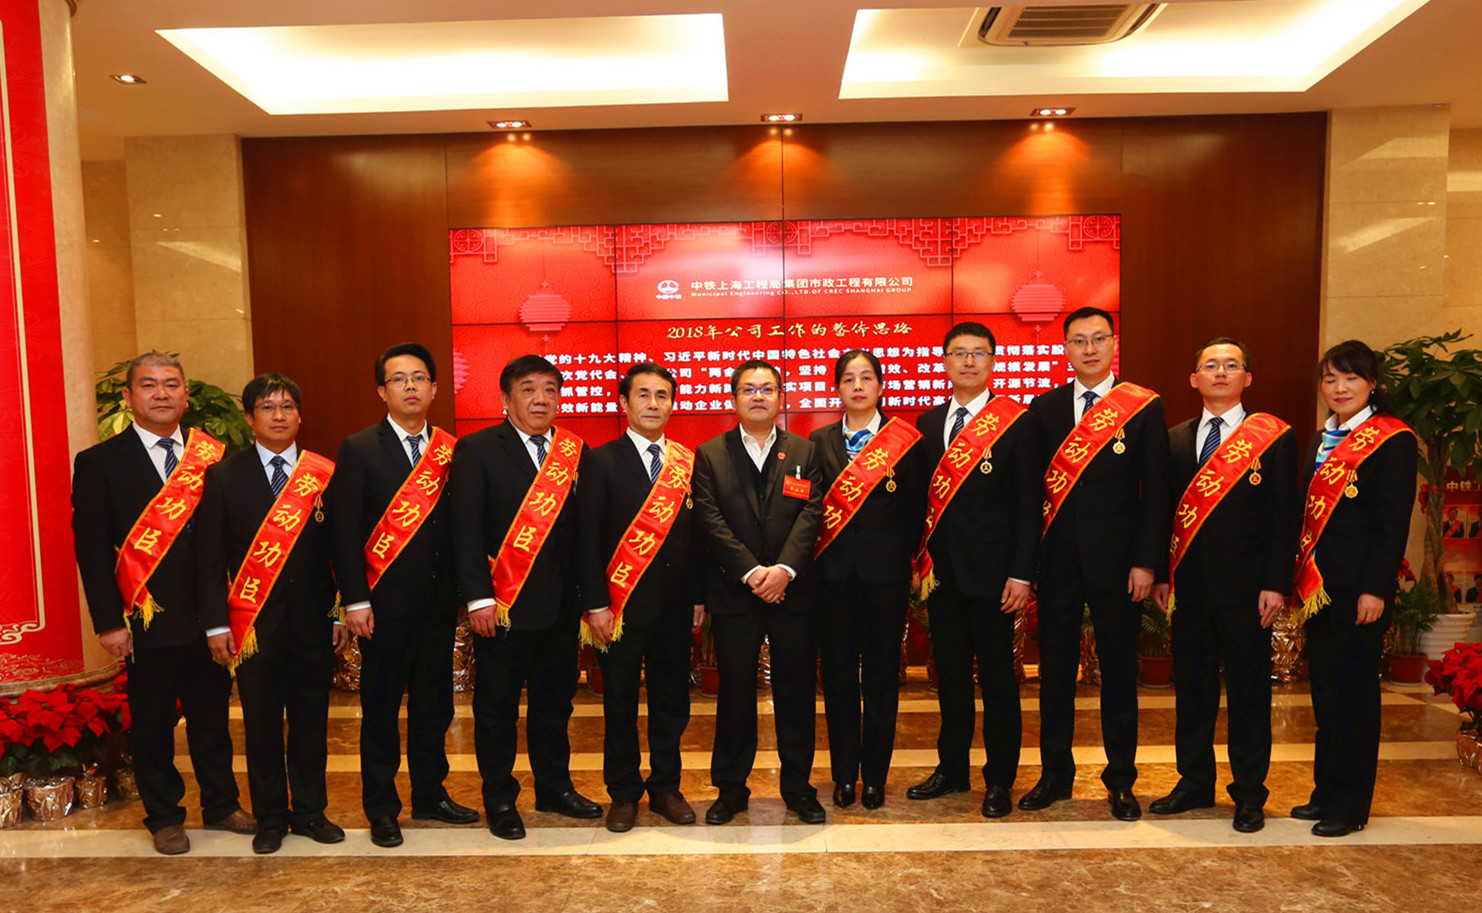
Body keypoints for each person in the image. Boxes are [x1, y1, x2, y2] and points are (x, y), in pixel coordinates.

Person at [71, 351, 252, 855]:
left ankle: (221, 804)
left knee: (212, 720)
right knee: (152, 725)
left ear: (185, 395)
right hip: (145, 617)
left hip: (210, 617)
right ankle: (165, 816)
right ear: (128, 397)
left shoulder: (214, 456)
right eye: (149, 385)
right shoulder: (100, 462)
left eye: (171, 384)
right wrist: (108, 622)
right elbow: (91, 550)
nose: (161, 394)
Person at [1024, 307, 1170, 821]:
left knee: (1119, 675)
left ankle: (1121, 781)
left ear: (1113, 344)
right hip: (1058, 565)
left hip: (1120, 567)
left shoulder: (1142, 408)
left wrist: (1148, 563)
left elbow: (1156, 493)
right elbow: (1032, 495)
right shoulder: (1044, 409)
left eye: (1098, 339)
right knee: (1055, 675)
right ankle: (1054, 776)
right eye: (1078, 340)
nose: (1089, 349)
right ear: (1065, 348)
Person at [1148, 338, 1299, 834]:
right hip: (1189, 590)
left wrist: (1276, 583)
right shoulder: (1174, 439)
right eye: (1210, 365)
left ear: (1247, 378)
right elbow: (1162, 515)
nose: (1220, 372)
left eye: (1231, 365)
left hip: (1249, 591)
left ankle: (1249, 793)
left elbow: (1284, 518)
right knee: (1192, 691)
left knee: (1249, 693)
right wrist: (1163, 575)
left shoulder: (1273, 438)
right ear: (1194, 378)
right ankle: (1194, 782)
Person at [330, 343, 478, 848]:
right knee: (381, 709)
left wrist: (465, 592)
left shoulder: (451, 450)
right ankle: (381, 807)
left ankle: (430, 794)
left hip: (438, 605)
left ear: (434, 388)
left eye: (419, 378)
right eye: (399, 379)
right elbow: (345, 532)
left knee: (435, 707)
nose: (410, 386)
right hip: (382, 607)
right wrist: (354, 600)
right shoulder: (358, 448)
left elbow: (463, 529)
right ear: (382, 391)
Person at [196, 373, 351, 853]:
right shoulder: (224, 476)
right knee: (261, 725)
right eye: (267, 407)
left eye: (286, 407)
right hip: (252, 625)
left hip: (313, 623)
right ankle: (270, 817)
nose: (278, 416)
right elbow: (209, 557)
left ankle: (310, 811)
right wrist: (216, 624)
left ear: (300, 415)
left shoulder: (323, 473)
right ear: (250, 418)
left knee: (311, 724)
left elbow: (341, 551)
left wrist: (340, 613)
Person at [449, 354, 600, 840]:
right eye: (529, 388)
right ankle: (499, 798)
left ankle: (554, 788)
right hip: (503, 606)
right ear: (506, 398)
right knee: (497, 709)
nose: (541, 399)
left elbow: (585, 533)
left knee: (556, 706)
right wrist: (478, 598)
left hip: (561, 607)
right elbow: (465, 530)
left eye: (551, 389)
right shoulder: (477, 449)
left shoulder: (575, 452)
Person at [905, 326, 1039, 818]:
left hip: (996, 578)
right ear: (944, 361)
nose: (967, 361)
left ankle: (999, 778)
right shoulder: (928, 421)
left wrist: (1021, 573)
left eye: (977, 353)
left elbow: (1029, 505)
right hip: (943, 576)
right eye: (958, 353)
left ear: (992, 360)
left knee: (999, 680)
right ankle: (952, 769)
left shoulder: (1016, 422)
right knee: (951, 678)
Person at [692, 359, 826, 825]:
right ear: (734, 399)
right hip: (736, 594)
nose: (758, 396)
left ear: (781, 398)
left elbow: (811, 514)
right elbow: (710, 520)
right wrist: (752, 573)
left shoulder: (805, 451)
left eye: (767, 389)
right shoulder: (711, 453)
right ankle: (731, 789)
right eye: (748, 389)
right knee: (734, 693)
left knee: (796, 693)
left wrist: (784, 570)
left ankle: (799, 788)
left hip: (793, 594)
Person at [1292, 340, 1417, 837]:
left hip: (1360, 592)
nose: (1339, 388)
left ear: (1372, 383)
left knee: (1356, 701)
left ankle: (1350, 807)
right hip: (1320, 590)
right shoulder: (1321, 438)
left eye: (1351, 378)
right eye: (1330, 379)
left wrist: (1375, 588)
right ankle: (1326, 792)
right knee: (1326, 695)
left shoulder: (1392, 439)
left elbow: (1392, 523)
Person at [576, 363, 705, 832]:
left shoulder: (688, 463)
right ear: (624, 403)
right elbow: (586, 540)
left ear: (673, 404)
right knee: (620, 703)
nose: (654, 403)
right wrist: (595, 604)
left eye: (662, 395)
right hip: (619, 608)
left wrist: (698, 598)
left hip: (675, 609)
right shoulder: (600, 460)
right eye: (644, 394)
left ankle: (666, 787)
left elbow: (698, 541)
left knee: (672, 701)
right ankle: (624, 792)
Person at [808, 350, 925, 811]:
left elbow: (916, 512)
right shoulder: (818, 441)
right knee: (838, 679)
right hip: (832, 581)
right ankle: (844, 776)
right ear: (837, 387)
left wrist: (897, 561)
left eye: (866, 377)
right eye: (848, 379)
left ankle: (874, 776)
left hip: (885, 581)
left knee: (880, 679)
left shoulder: (905, 441)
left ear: (880, 385)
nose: (857, 386)